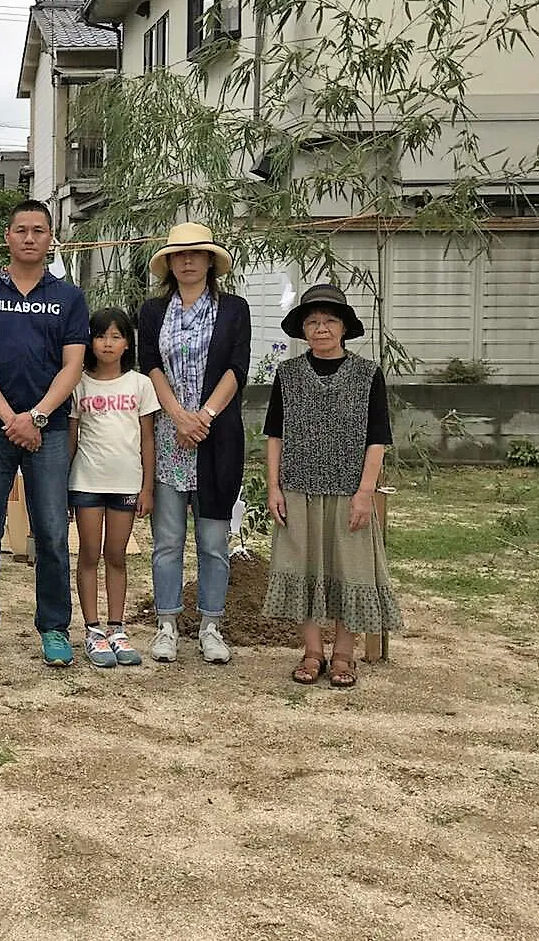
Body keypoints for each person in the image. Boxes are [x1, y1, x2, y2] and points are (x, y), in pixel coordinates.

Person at [0, 201, 89, 667]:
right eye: (21, 230)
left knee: (52, 531)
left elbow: (73, 364)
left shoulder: (69, 297)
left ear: (51, 238)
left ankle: (54, 627)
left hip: (48, 430)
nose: (29, 238)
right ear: (7, 236)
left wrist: (35, 417)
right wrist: (11, 417)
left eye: (38, 230)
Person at [261, 284, 402, 689]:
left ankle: (343, 655)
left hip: (349, 491)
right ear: (303, 330)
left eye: (329, 321)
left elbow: (378, 438)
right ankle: (312, 653)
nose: (320, 329)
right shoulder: (287, 375)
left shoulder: (367, 374)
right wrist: (274, 486)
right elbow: (275, 435)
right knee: (302, 569)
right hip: (297, 489)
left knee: (350, 572)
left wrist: (365, 493)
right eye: (312, 322)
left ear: (343, 328)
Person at [137, 222, 251, 666]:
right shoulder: (152, 311)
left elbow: (236, 368)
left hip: (216, 435)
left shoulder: (233, 309)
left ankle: (210, 626)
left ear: (209, 261)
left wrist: (203, 416)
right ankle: (166, 624)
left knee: (212, 540)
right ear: (168, 263)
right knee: (167, 540)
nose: (187, 261)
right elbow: (150, 364)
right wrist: (179, 416)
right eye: (178, 255)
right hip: (168, 436)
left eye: (196, 254)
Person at [68, 308, 159, 668]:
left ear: (127, 343)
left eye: (116, 336)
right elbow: (72, 438)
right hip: (87, 482)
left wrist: (147, 487)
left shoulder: (140, 384)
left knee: (117, 556)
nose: (108, 343)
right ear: (90, 341)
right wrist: (63, 484)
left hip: (126, 482)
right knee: (89, 554)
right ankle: (92, 629)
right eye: (101, 335)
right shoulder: (78, 383)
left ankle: (117, 628)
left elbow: (148, 439)